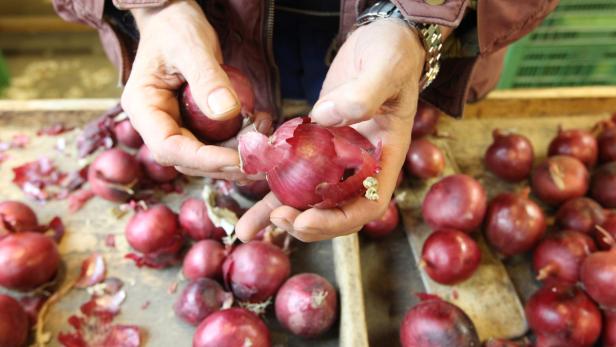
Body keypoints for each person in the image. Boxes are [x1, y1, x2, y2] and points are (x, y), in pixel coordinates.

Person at [53, 0, 558, 242]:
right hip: (207, 40)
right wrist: (154, 7)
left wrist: (420, 21)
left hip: (397, 57)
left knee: (373, 105)